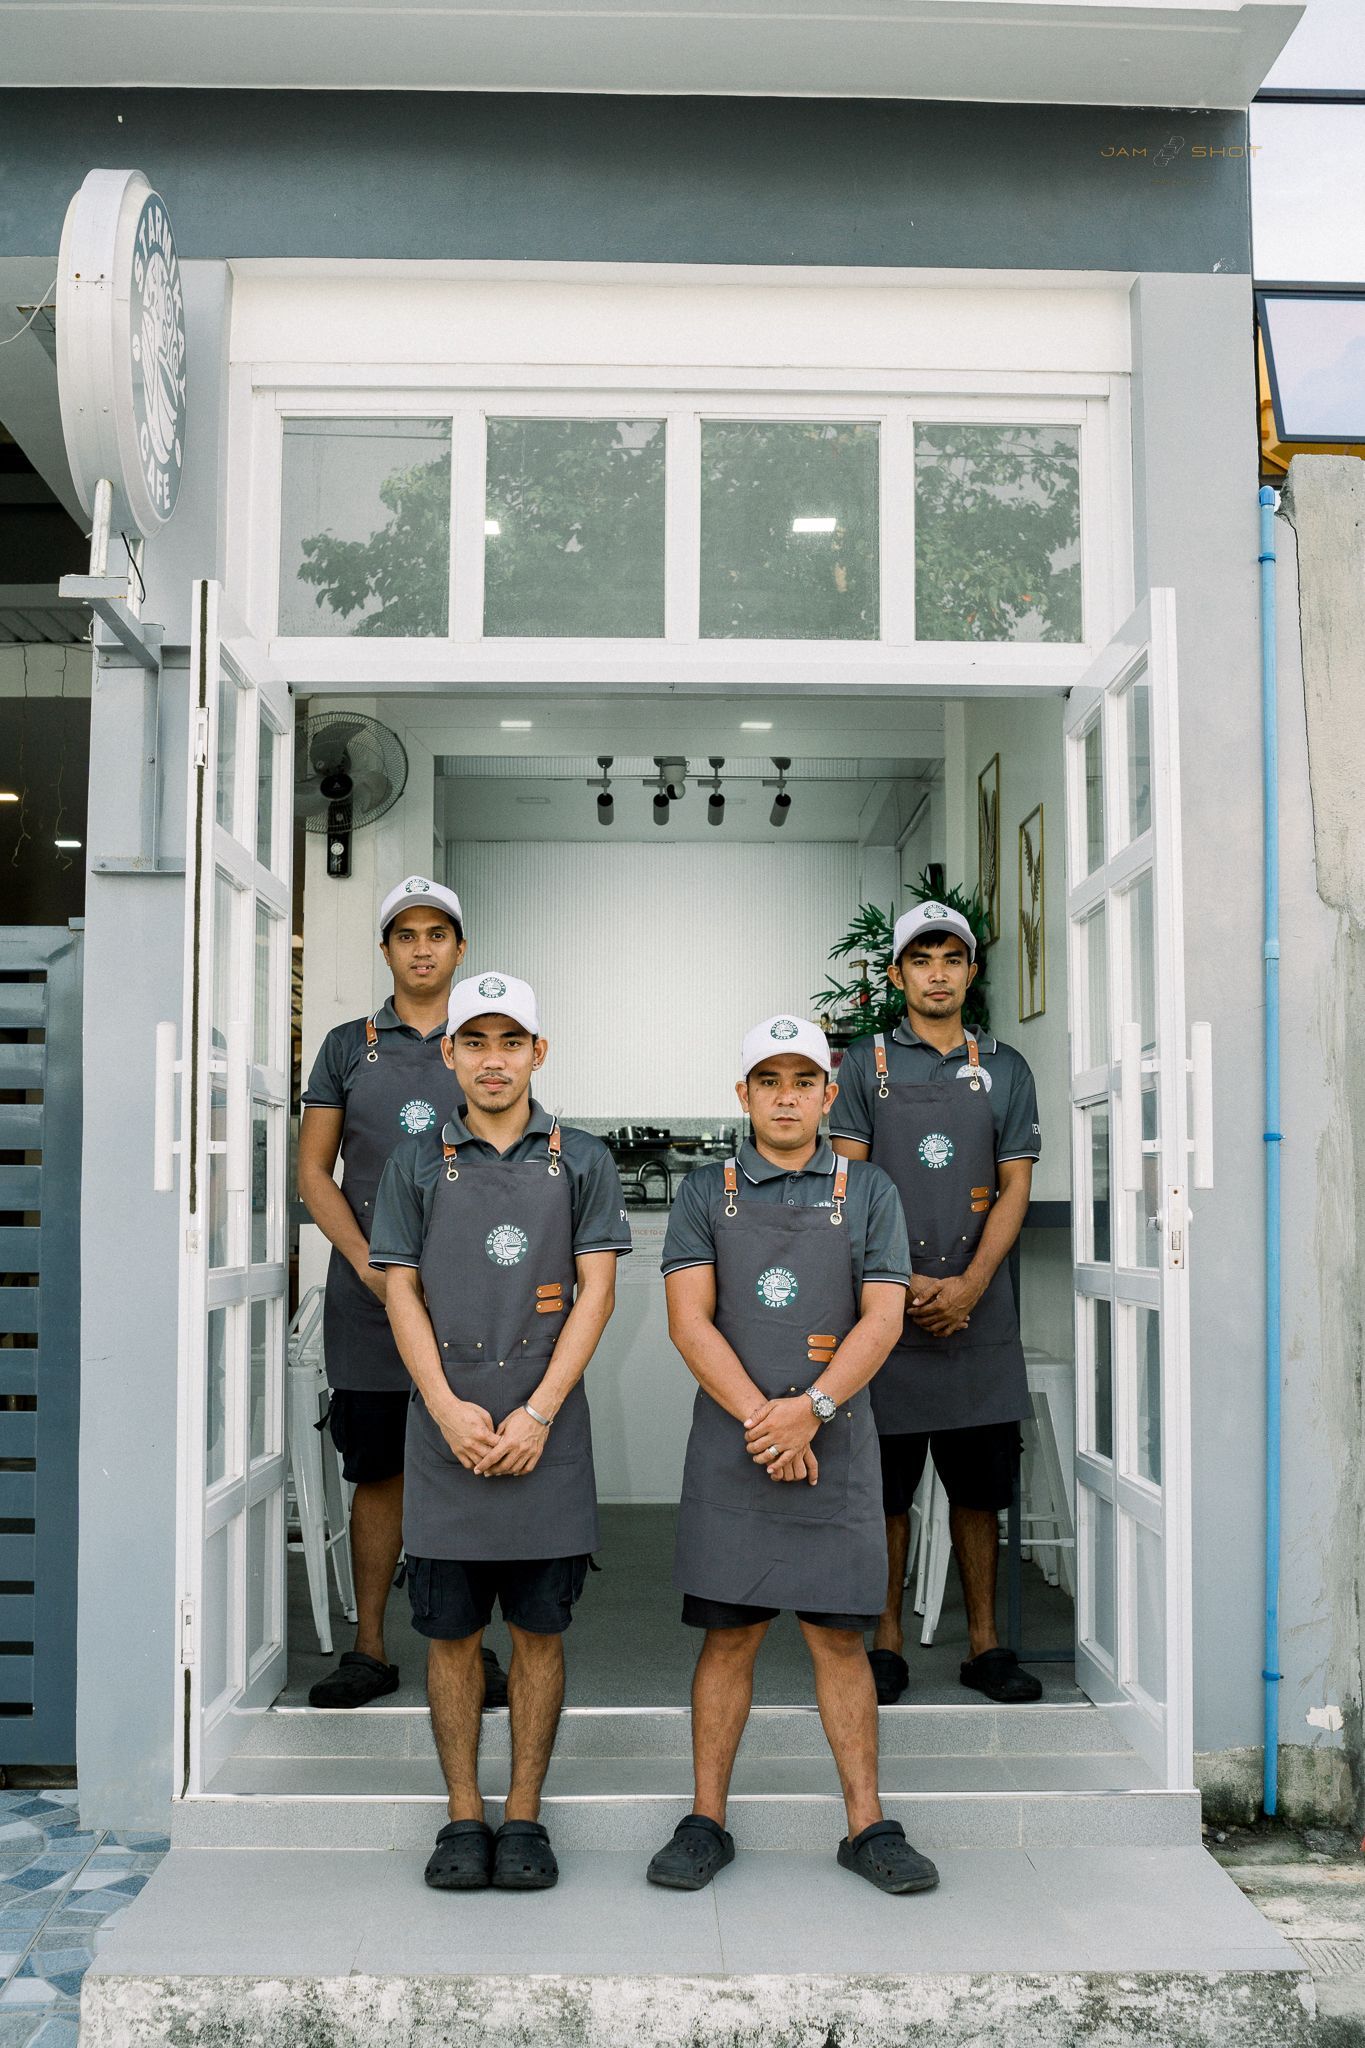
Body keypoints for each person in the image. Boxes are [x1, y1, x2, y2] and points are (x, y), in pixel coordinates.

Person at [646, 1014, 938, 1898]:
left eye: (802, 1081)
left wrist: (809, 1412)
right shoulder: (706, 1193)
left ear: (826, 1094)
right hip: (734, 1447)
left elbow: (881, 1318)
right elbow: (689, 1322)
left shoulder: (869, 1190)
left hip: (834, 1443)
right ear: (742, 1095)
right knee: (728, 1637)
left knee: (839, 1639)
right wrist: (765, 1423)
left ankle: (866, 1825)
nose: (785, 1097)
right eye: (768, 1081)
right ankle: (705, 1821)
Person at [369, 972, 630, 1893]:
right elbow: (399, 1289)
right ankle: (461, 1814)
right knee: (448, 1636)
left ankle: (522, 1813)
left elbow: (597, 1292)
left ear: (537, 1053)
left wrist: (539, 1411)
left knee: (538, 1631)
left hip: (543, 1430)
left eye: (510, 1041)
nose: (492, 1060)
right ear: (449, 1053)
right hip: (445, 1431)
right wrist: (444, 1407)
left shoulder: (582, 1160)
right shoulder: (413, 1164)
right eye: (474, 1041)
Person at [298, 876, 506, 1711]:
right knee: (379, 1471)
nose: (422, 949)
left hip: (469, 1301)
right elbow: (315, 1173)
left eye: (437, 934)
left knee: (468, 1466)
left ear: (460, 948)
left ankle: (469, 1649)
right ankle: (371, 1649)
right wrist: (367, 1263)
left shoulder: (486, 1041)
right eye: (406, 935)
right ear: (385, 949)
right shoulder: (347, 1047)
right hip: (369, 1299)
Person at [831, 901, 1043, 1708]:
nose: (937, 973)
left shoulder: (1006, 1068)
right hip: (885, 1312)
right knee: (885, 1490)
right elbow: (849, 1184)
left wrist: (971, 1285)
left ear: (970, 972)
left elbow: (1014, 1185)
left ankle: (985, 1644)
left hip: (976, 1313)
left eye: (951, 958)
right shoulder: (864, 1065)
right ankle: (884, 1641)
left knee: (978, 1490)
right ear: (897, 975)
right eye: (920, 960)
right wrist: (904, 1284)